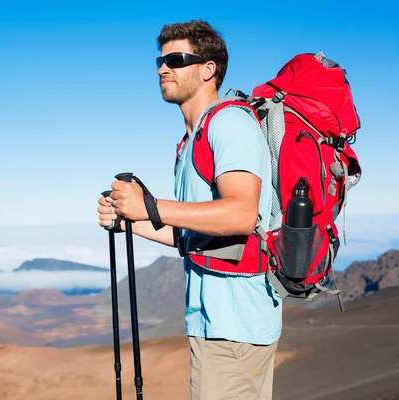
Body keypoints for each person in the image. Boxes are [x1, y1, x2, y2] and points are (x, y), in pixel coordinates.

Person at [97, 20, 282, 400]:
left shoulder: (229, 124)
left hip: (236, 327)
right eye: (160, 61)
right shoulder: (191, 140)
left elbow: (242, 214)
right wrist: (131, 221)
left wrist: (149, 204)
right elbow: (192, 236)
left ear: (207, 69)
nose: (162, 69)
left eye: (175, 60)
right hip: (212, 323)